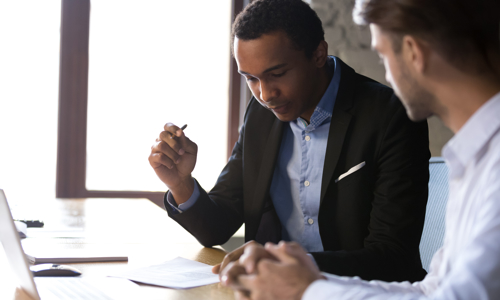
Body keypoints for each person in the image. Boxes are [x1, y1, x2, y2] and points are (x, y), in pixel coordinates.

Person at [221, 0, 500, 299]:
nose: (387, 75)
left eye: (381, 54)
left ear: (413, 53)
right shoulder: (475, 158)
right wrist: (302, 280)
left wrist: (307, 289)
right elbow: (432, 291)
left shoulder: (491, 165)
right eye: (251, 79)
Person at [149, 0, 430, 282]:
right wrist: (181, 183)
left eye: (277, 74)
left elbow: (393, 256)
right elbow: (217, 228)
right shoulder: (261, 115)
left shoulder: (391, 115)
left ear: (319, 54)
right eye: (250, 79)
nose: (265, 94)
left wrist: (288, 263)